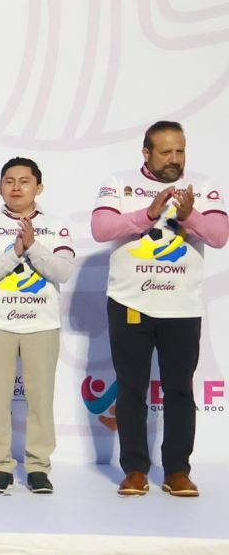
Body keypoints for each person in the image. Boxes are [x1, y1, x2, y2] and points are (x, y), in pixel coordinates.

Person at [91, 121, 227, 497]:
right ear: (146, 152)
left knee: (179, 390)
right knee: (131, 389)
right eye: (166, 152)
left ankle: (178, 471)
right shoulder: (119, 183)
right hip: (130, 303)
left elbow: (219, 236)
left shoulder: (202, 185)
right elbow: (101, 228)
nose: (174, 159)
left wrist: (190, 216)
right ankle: (135, 470)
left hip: (181, 307)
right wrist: (147, 214)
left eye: (180, 151)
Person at [0, 157, 75, 494]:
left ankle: (38, 468)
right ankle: (1, 467)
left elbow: (62, 271)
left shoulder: (56, 226)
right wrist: (14, 253)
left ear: (38, 187)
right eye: (9, 181)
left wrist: (34, 247)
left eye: (24, 181)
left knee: (40, 399)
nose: (16, 187)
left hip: (41, 324)